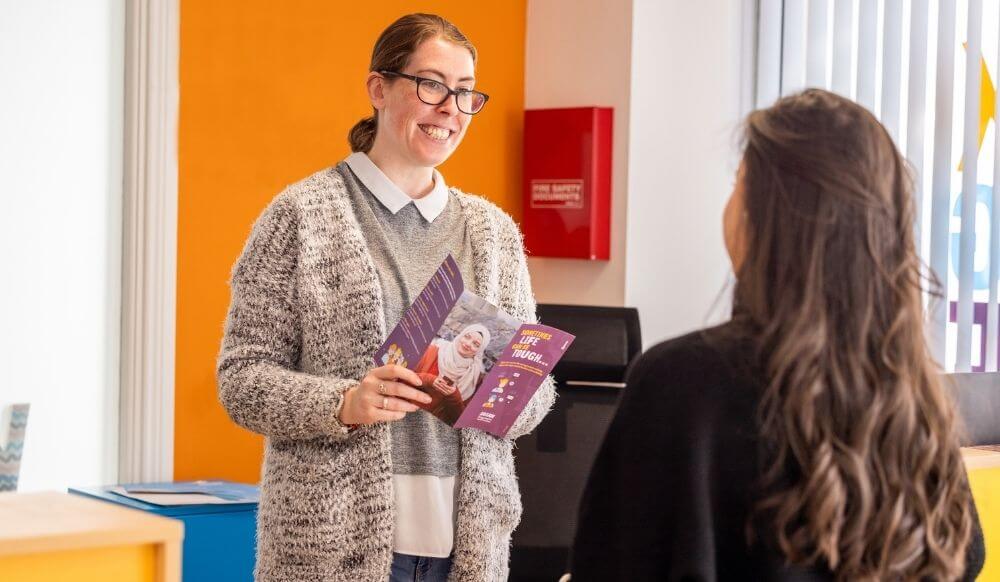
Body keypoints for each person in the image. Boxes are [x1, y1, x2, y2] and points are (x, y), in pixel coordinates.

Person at [571, 89, 985, 581]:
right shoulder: (910, 393)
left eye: (739, 182)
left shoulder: (681, 385)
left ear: (768, 215)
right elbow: (962, 558)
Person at [216, 13, 553, 581]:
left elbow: (535, 387)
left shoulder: (493, 233)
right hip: (334, 545)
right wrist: (343, 403)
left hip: (470, 548)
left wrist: (501, 396)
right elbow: (241, 380)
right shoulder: (300, 217)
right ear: (379, 88)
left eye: (466, 93)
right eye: (432, 84)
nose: (450, 108)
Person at [413, 324, 492, 425]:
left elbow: (459, 420)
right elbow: (403, 377)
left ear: (479, 351)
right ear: (461, 335)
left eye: (476, 344)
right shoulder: (432, 351)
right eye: (467, 337)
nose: (468, 344)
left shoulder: (475, 378)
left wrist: (453, 396)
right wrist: (429, 380)